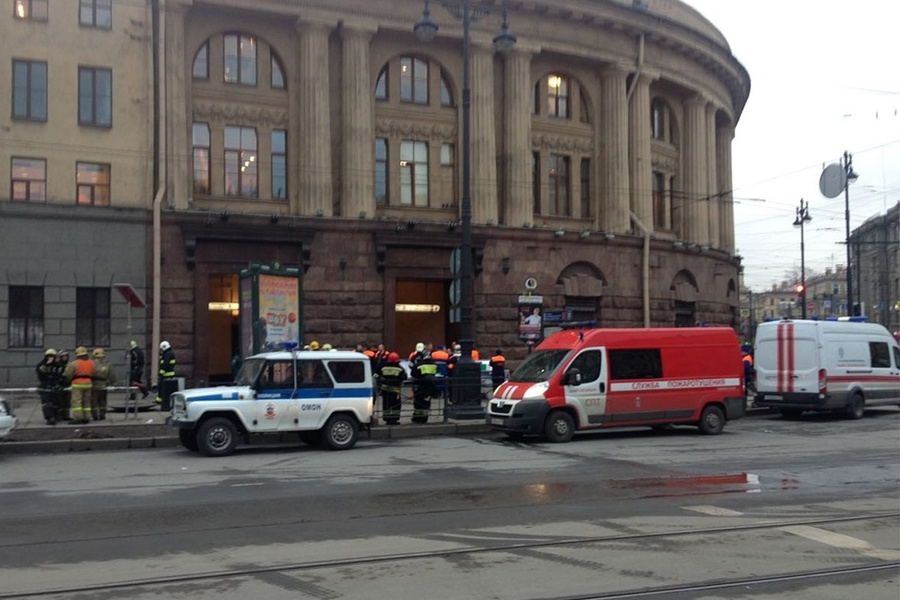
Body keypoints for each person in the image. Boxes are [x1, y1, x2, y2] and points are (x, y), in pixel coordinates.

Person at [64, 346, 95, 424]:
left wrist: (69, 380)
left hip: (77, 384)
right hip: (88, 384)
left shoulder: (75, 363)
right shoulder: (91, 362)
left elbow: (68, 374)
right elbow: (93, 372)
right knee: (86, 402)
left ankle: (78, 418)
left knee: (77, 402)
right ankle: (87, 417)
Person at [410, 343, 437, 424]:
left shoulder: (419, 365)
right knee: (426, 403)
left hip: (420, 386)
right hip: (430, 387)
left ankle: (417, 418)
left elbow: (413, 374)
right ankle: (424, 419)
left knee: (418, 403)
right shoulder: (434, 365)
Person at [378, 352, 405, 425]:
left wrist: (381, 380)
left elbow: (376, 375)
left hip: (385, 390)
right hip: (395, 390)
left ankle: (387, 418)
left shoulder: (383, 367)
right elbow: (404, 377)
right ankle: (394, 419)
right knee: (396, 405)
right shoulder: (399, 369)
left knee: (386, 404)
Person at [36, 348, 62, 425]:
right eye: (49, 356)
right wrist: (47, 364)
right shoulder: (42, 364)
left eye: (52, 356)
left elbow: (60, 374)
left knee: (56, 403)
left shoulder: (57, 365)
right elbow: (41, 373)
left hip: (54, 387)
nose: (50, 358)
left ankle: (56, 416)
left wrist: (59, 381)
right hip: (44, 388)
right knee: (47, 404)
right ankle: (50, 418)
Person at [91, 348, 118, 421]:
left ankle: (95, 415)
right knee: (102, 401)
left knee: (94, 401)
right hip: (103, 385)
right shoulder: (107, 364)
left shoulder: (91, 363)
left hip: (94, 385)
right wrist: (115, 383)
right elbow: (112, 375)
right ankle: (102, 415)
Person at [157, 340, 177, 407]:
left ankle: (162, 402)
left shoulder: (167, 354)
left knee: (163, 389)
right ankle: (160, 401)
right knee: (162, 389)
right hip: (168, 375)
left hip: (167, 375)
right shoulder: (167, 353)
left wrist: (161, 373)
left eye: (161, 348)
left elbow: (165, 364)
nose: (161, 350)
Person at [56, 350, 71, 420]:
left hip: (68, 385)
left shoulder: (70, 364)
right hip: (60, 385)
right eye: (63, 356)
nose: (65, 358)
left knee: (67, 402)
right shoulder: (58, 365)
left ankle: (66, 416)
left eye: (66, 356)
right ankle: (59, 416)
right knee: (60, 402)